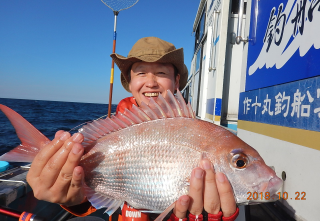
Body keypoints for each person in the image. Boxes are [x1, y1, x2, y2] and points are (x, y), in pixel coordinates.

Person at [26, 37, 239, 221]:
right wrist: (72, 198)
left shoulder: (203, 133)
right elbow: (93, 203)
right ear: (130, 83)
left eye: (161, 72)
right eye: (141, 73)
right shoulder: (110, 132)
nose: (151, 82)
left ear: (176, 81)